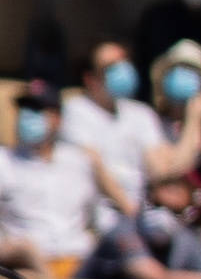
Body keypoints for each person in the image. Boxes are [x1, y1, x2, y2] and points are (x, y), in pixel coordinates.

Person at [0, 82, 104, 273]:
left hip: (80, 263)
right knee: (29, 255)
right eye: (24, 109)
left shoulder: (78, 161)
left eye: (38, 110)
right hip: (27, 264)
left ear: (57, 119)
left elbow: (98, 217)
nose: (28, 116)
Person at [60, 41, 166, 217]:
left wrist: (195, 118)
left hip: (144, 210)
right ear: (90, 79)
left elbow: (158, 167)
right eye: (110, 67)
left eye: (124, 62)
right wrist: (129, 209)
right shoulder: (76, 109)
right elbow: (95, 166)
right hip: (104, 212)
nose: (122, 71)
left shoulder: (142, 113)